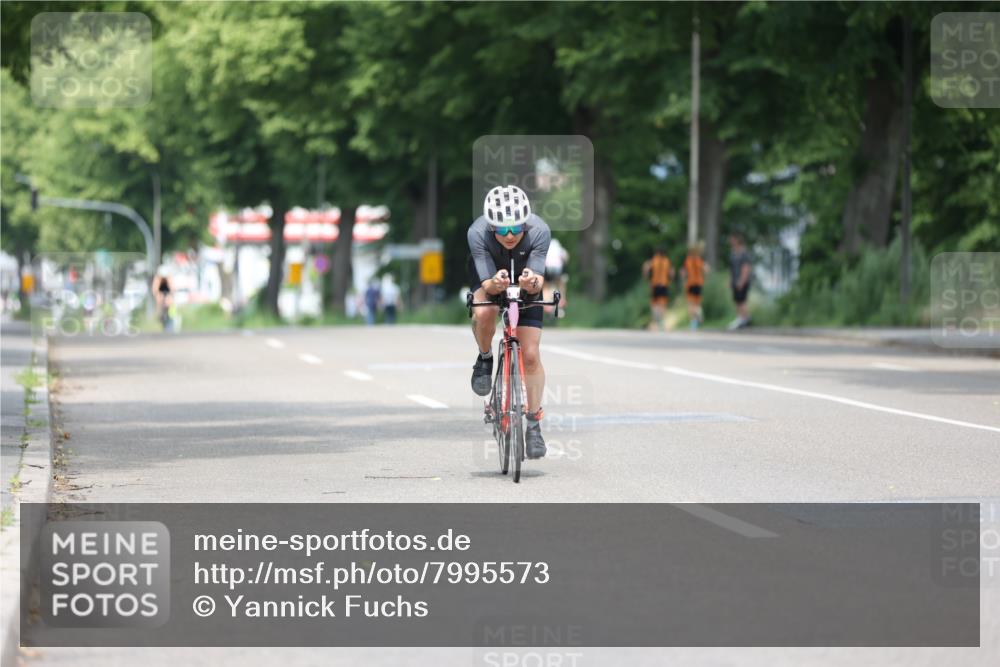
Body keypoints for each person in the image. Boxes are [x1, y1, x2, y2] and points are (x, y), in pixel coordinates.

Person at [467, 184, 551, 459]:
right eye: (502, 230)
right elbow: (487, 286)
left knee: (529, 355)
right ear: (492, 227)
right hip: (491, 279)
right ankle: (485, 357)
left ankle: (534, 424)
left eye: (516, 228)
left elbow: (538, 280)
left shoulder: (539, 231)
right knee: (483, 312)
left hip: (525, 284)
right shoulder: (477, 233)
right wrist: (495, 284)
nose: (511, 235)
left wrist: (530, 283)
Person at [642, 246, 673, 331]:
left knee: (654, 304)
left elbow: (646, 268)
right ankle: (662, 322)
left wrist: (647, 278)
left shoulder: (653, 260)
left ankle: (655, 322)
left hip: (655, 284)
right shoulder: (667, 261)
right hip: (664, 284)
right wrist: (669, 280)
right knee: (662, 304)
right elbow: (671, 273)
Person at [681, 241, 709, 329]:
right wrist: (703, 276)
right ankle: (699, 313)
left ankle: (693, 321)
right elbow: (706, 270)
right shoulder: (699, 260)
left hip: (690, 283)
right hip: (699, 283)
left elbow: (683, 273)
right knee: (697, 303)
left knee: (690, 303)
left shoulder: (687, 260)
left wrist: (684, 279)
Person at [727, 233, 753, 330]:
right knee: (737, 300)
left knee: (742, 300)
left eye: (733, 239)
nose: (731, 241)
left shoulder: (744, 253)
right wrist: (730, 280)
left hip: (742, 280)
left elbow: (746, 268)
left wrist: (742, 281)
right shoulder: (733, 253)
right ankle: (741, 318)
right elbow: (732, 268)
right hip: (735, 280)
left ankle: (745, 319)